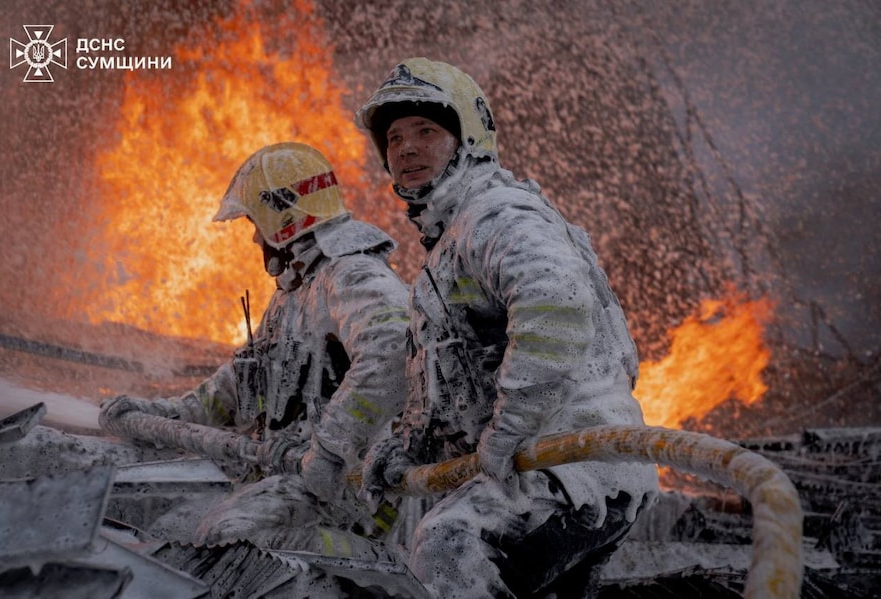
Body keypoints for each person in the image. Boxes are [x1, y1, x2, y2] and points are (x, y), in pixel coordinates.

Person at [355, 58, 660, 598]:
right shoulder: (451, 241)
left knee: (450, 545)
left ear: (469, 138)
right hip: (554, 469)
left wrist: (510, 430)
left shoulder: (496, 215)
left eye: (426, 131)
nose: (405, 149)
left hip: (571, 467)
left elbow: (556, 309)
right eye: (395, 137)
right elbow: (453, 381)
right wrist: (404, 448)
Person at [99, 142, 410, 555]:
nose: (253, 237)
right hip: (292, 473)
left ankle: (389, 568)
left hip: (352, 493)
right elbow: (240, 381)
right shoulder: (297, 289)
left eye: (255, 223)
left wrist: (330, 450)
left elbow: (392, 353)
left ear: (280, 217)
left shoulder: (351, 275)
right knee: (178, 529)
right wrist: (164, 415)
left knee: (234, 535)